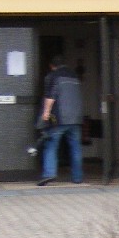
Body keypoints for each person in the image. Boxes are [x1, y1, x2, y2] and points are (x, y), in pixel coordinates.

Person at [38, 55, 85, 186]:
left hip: (60, 118)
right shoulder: (74, 76)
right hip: (76, 118)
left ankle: (49, 173)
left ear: (52, 66)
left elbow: (50, 96)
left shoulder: (53, 76)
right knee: (75, 147)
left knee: (51, 144)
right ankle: (78, 177)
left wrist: (46, 113)